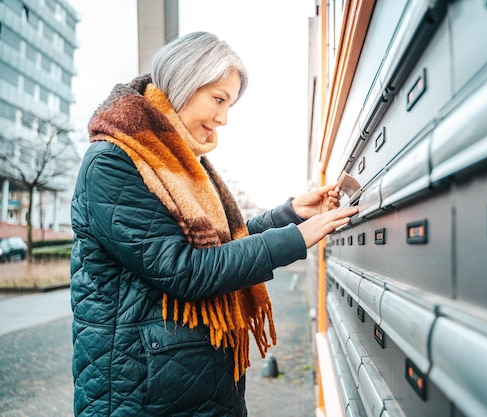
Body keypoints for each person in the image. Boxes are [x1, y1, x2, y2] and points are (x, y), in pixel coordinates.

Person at [70, 31, 358, 417]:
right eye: (218, 99)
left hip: (189, 385)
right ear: (184, 83)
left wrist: (289, 215)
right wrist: (295, 239)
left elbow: (220, 245)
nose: (222, 118)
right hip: (139, 394)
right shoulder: (113, 163)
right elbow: (185, 270)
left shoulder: (180, 163)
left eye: (230, 105)